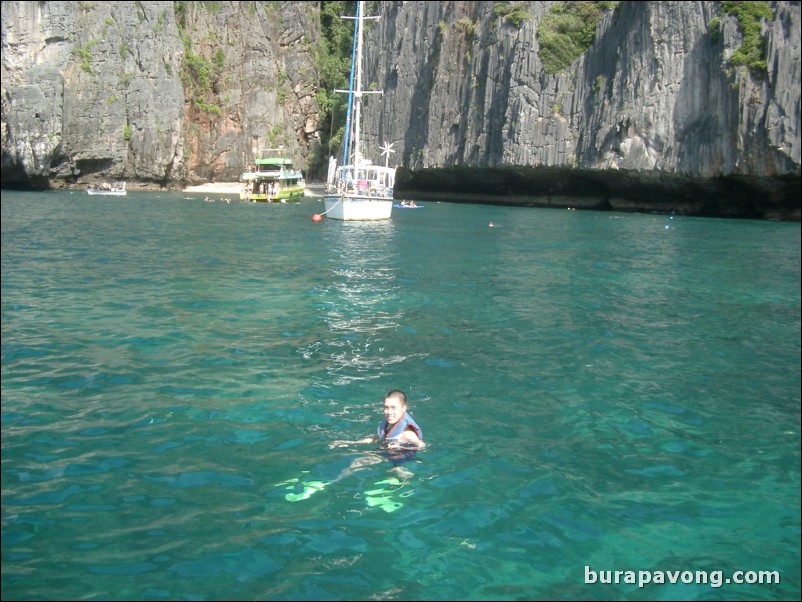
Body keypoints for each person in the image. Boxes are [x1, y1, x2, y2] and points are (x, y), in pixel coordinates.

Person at [329, 389, 424, 478]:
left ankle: (330, 483)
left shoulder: (407, 432)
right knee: (354, 459)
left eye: (393, 408)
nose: (389, 412)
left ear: (404, 408)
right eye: (386, 408)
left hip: (399, 457)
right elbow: (374, 438)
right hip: (385, 452)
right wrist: (349, 443)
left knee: (357, 463)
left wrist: (403, 448)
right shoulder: (388, 425)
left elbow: (422, 446)